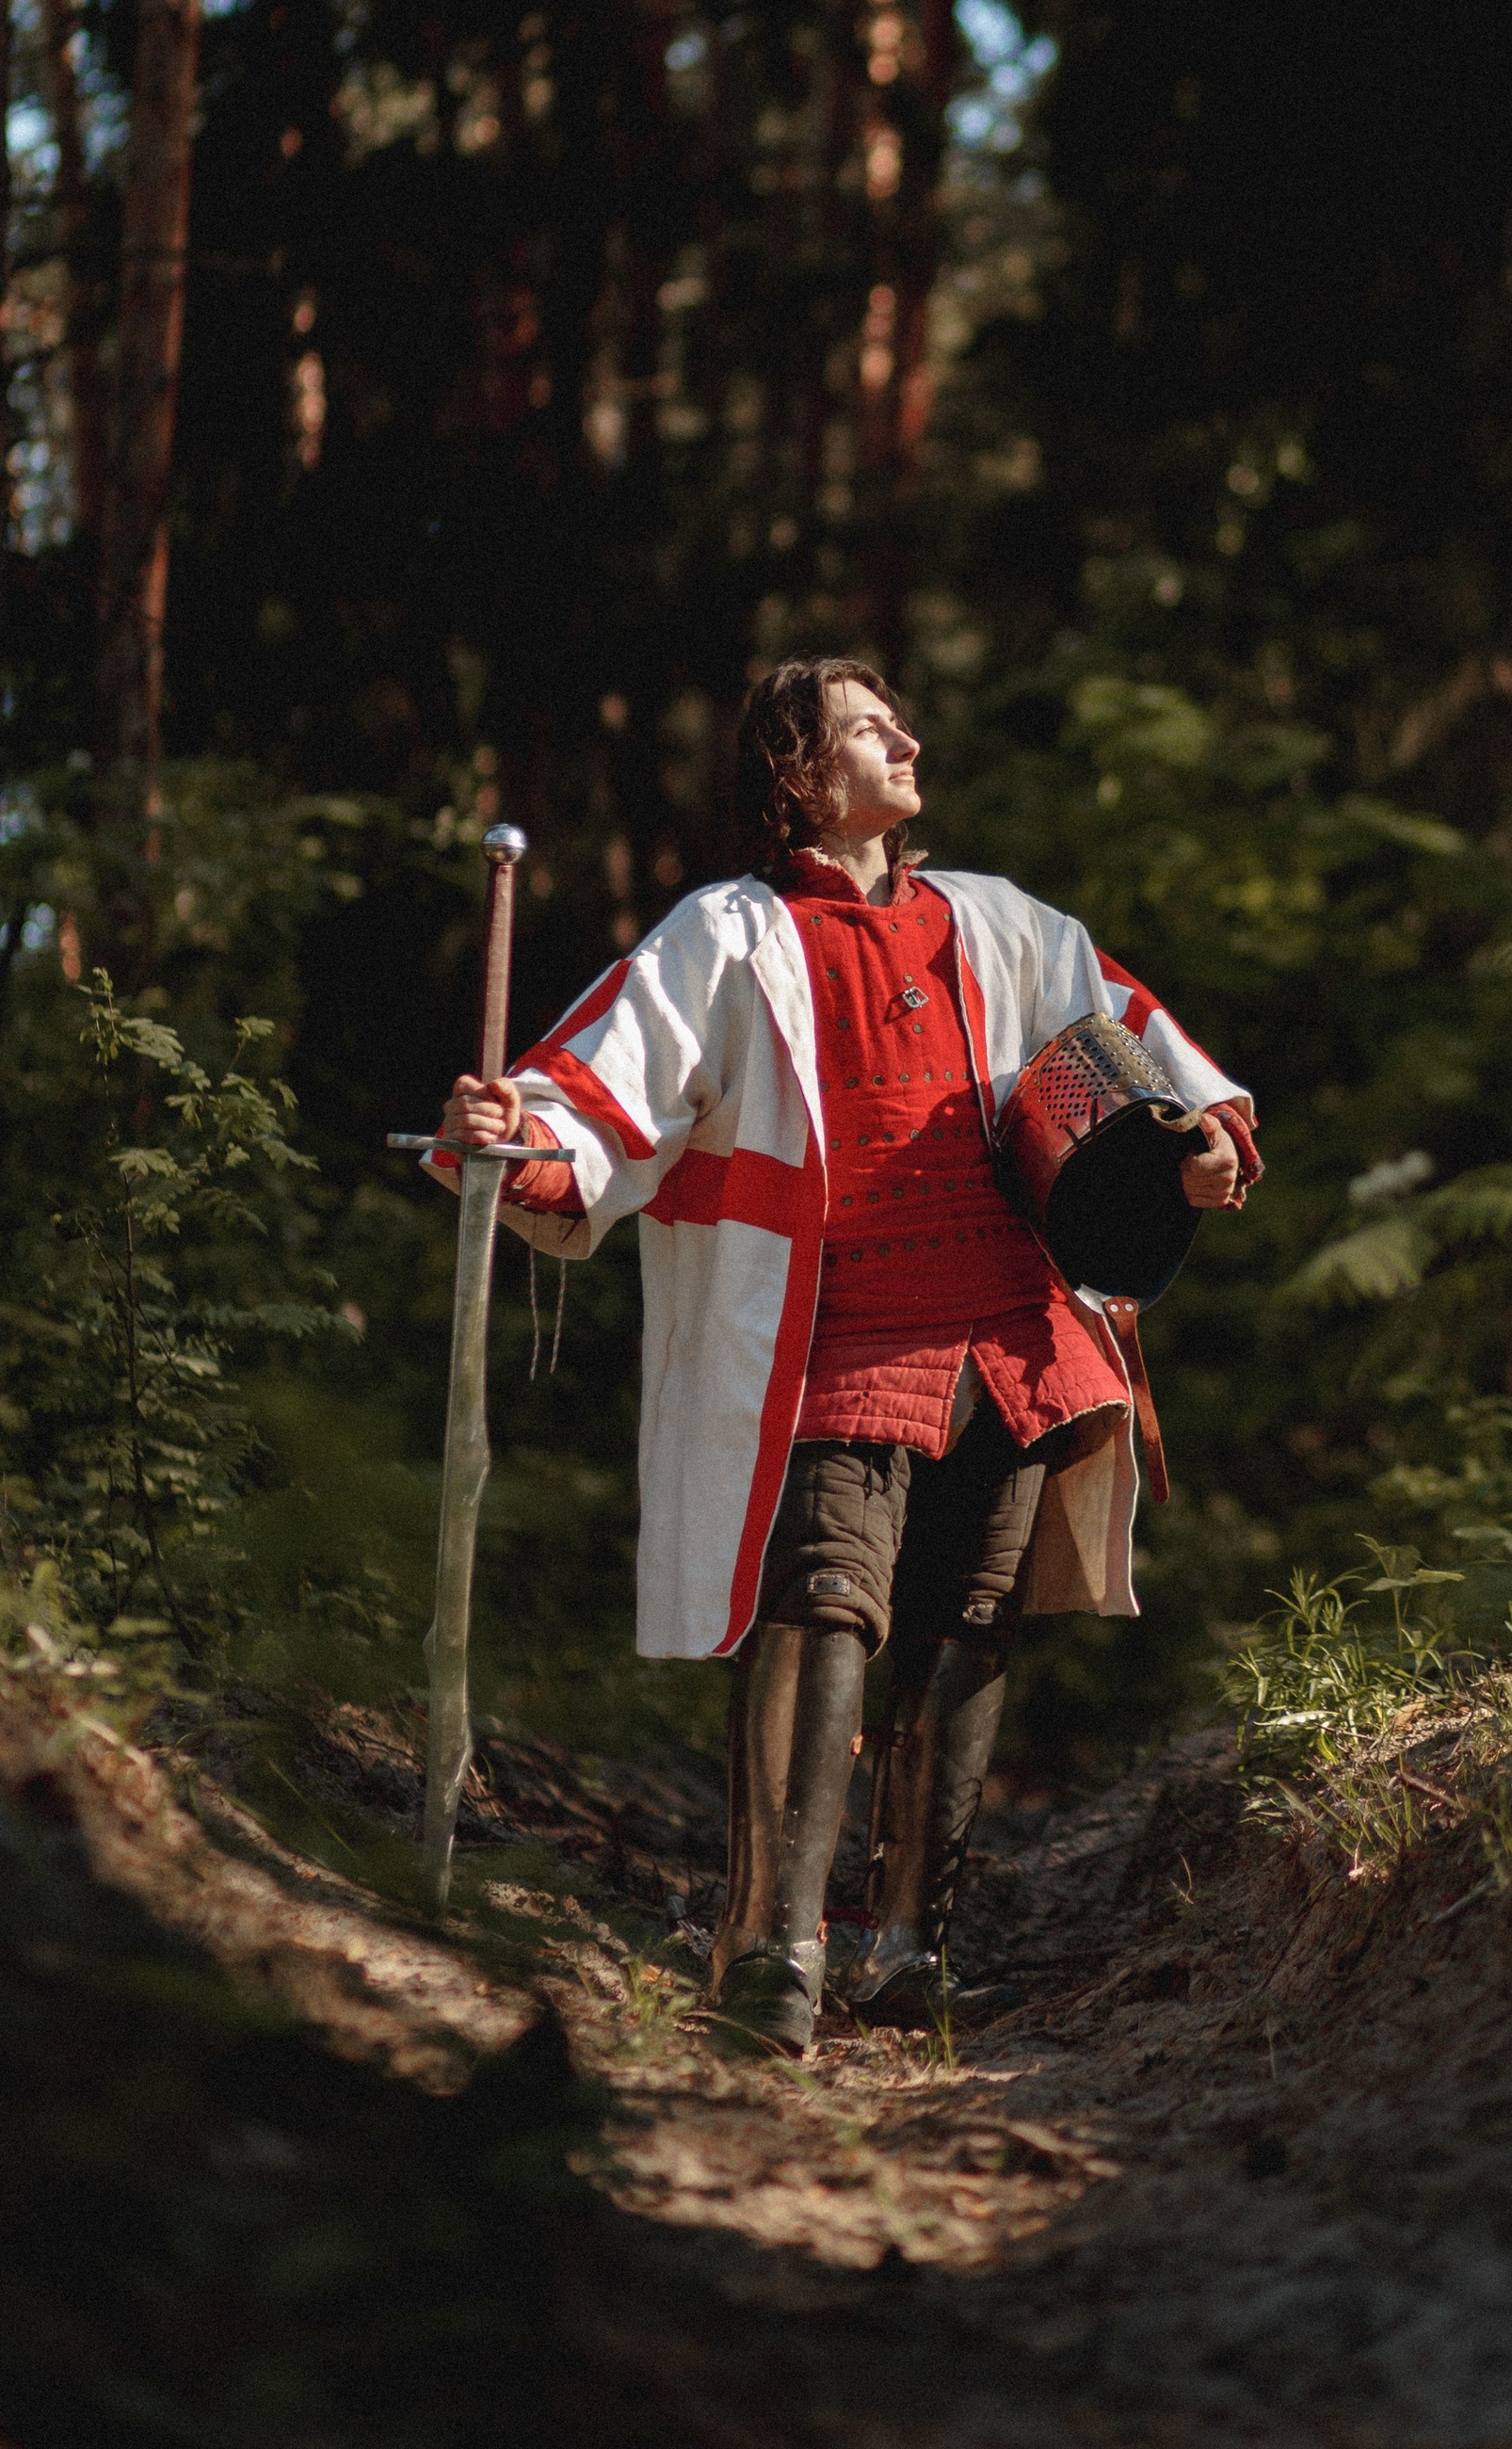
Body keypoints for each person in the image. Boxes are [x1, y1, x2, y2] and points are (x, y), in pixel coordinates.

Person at [434, 656, 1258, 2049]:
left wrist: (1200, 1149)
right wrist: (517, 1135)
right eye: (874, 729)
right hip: (825, 1338)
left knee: (965, 1628)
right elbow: (601, 1077)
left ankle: (910, 1948)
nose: (911, 739)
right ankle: (776, 1946)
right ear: (799, 776)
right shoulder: (727, 934)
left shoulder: (1001, 921)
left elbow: (1138, 1059)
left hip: (1008, 1336)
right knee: (824, 1610)